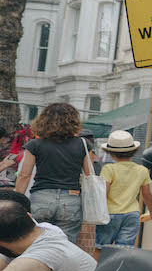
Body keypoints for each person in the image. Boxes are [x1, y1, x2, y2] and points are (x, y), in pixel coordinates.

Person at [12, 101, 92, 239]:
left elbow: (24, 175)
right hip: (71, 199)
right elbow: (89, 174)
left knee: (38, 243)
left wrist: (18, 201)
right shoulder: (83, 144)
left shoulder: (34, 145)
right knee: (66, 245)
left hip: (41, 197)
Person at [95, 131, 152, 255]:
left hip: (110, 213)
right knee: (124, 251)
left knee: (101, 248)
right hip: (132, 214)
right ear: (133, 151)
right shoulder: (142, 170)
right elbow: (147, 195)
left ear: (111, 152)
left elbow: (103, 193)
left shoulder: (109, 169)